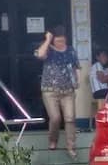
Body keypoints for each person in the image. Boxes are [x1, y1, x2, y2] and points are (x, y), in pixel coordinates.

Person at [36, 26, 80, 160]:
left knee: (70, 118)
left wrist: (77, 80)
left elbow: (76, 66)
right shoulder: (47, 48)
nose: (61, 44)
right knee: (55, 118)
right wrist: (48, 39)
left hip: (68, 91)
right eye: (58, 41)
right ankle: (53, 140)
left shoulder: (71, 50)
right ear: (53, 40)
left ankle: (71, 146)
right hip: (50, 91)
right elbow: (40, 55)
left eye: (63, 41)